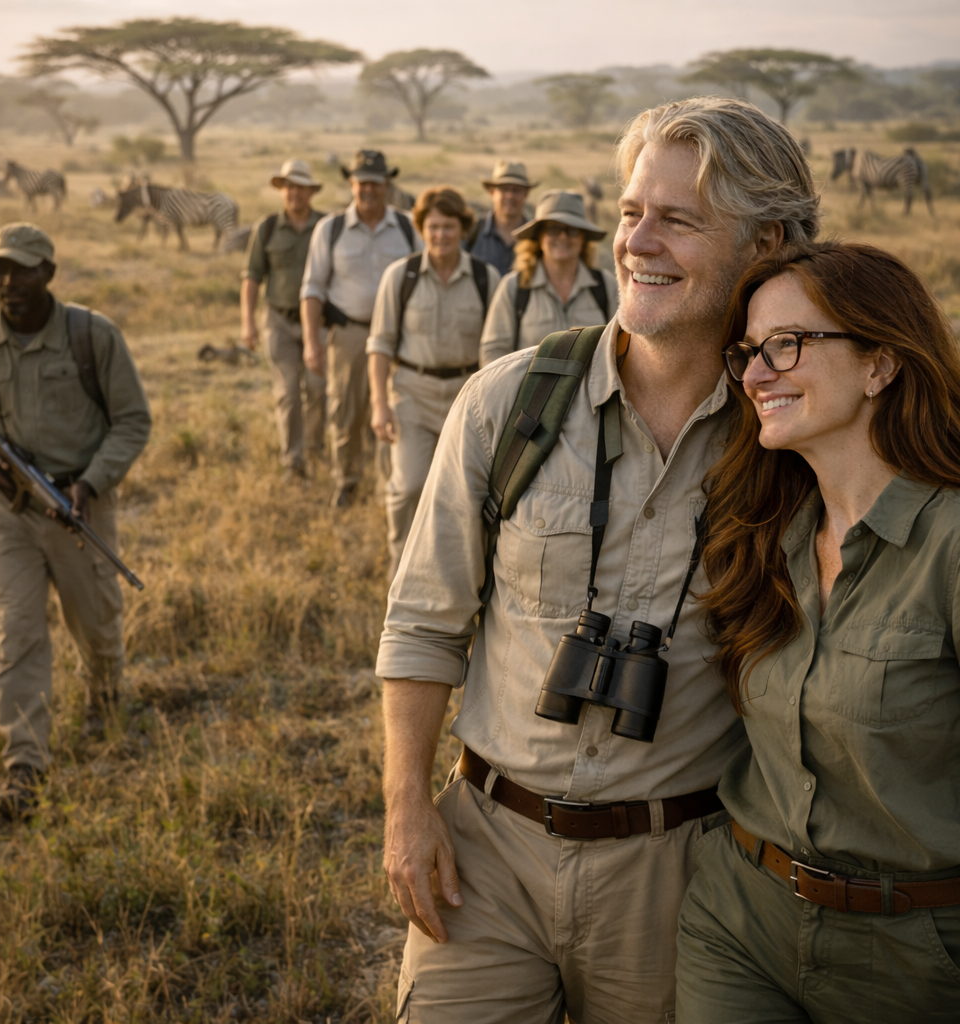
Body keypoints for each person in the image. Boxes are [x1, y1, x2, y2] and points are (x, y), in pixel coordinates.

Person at [377, 97, 819, 1024]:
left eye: (678, 220)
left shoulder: (797, 441)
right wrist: (408, 811)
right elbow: (423, 623)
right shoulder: (512, 404)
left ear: (768, 244)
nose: (637, 242)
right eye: (630, 212)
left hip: (680, 869)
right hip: (486, 857)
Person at [676, 241, 960, 1023]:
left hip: (916, 959)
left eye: (787, 345)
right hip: (741, 924)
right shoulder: (766, 533)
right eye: (748, 354)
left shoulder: (951, 545)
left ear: (881, 364)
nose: (757, 375)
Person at [0, 223, 151, 820]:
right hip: (6, 514)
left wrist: (89, 484)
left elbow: (133, 421)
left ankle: (105, 702)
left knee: (97, 624)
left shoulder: (92, 335)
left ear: (48, 274)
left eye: (22, 269)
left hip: (80, 506)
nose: (9, 281)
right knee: (14, 630)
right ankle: (24, 765)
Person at [367, 186, 501, 579]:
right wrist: (379, 402)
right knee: (408, 486)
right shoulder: (401, 276)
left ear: (462, 228)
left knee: (465, 493)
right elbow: (379, 345)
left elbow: (495, 349)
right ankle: (401, 572)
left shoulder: (484, 278)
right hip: (412, 393)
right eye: (433, 227)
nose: (441, 235)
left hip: (466, 398)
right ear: (421, 229)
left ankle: (453, 575)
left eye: (449, 227)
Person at [300, 149, 421, 507]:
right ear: (351, 184)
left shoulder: (407, 226)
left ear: (387, 184)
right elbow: (312, 288)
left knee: (395, 408)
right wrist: (311, 341)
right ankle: (347, 480)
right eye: (361, 182)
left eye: (375, 182)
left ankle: (391, 482)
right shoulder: (331, 229)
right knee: (346, 409)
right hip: (350, 334)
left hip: (400, 335)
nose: (368, 189)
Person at [240, 159, 326, 477]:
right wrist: (248, 322)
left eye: (301, 187)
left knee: (318, 389)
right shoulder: (267, 228)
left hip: (318, 324)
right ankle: (293, 459)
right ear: (282, 190)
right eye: (289, 187)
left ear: (310, 192)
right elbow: (251, 277)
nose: (295, 193)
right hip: (278, 319)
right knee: (288, 392)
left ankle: (316, 450)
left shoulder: (326, 226)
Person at [478, 189, 618, 367]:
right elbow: (493, 350)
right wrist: (515, 390)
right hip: (530, 394)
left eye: (572, 230)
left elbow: (622, 347)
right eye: (553, 229)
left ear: (583, 237)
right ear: (539, 236)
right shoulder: (515, 287)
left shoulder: (605, 286)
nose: (563, 237)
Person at [465, 160, 537, 277]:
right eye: (504, 189)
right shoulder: (472, 232)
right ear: (492, 192)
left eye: (516, 190)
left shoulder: (536, 237)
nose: (510, 196)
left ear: (526, 194)